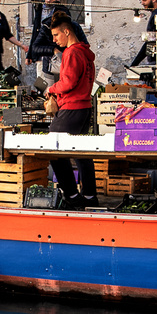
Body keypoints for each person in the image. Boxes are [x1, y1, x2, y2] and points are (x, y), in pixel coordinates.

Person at [45, 15, 98, 209]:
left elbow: (68, 82)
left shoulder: (72, 52)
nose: (54, 39)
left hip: (72, 107)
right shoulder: (86, 53)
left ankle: (72, 196)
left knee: (53, 150)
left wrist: (50, 89)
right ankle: (90, 196)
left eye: (56, 34)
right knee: (82, 153)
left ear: (67, 32)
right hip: (84, 108)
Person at [27, 0, 65, 78]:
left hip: (54, 54)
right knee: (41, 82)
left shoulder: (61, 10)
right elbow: (35, 33)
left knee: (55, 81)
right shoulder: (39, 9)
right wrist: (29, 55)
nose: (48, 0)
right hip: (40, 53)